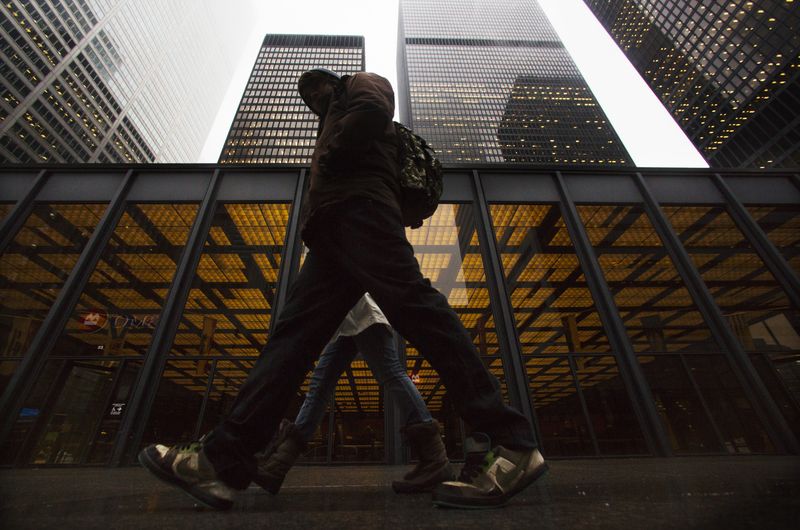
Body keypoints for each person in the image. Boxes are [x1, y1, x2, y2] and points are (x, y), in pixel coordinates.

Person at [138, 68, 547, 511]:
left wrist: (330, 153)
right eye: (306, 94)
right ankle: (222, 460)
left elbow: (374, 109)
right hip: (336, 226)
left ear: (329, 80)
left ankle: (512, 444)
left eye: (315, 86)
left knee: (417, 310)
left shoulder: (359, 83)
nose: (311, 96)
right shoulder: (332, 112)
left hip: (361, 210)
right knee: (293, 340)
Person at [253, 293, 454, 495]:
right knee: (319, 385)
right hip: (345, 324)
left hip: (363, 314)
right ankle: (278, 465)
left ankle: (435, 459)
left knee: (390, 372)